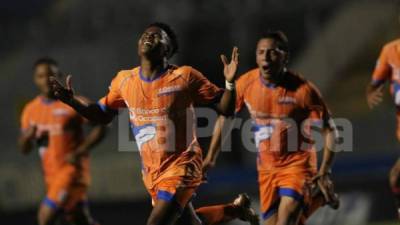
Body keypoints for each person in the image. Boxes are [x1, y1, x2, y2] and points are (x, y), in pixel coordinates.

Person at [49, 22, 259, 225]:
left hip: (182, 166)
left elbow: (226, 108)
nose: (149, 36)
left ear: (167, 49)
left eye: (157, 35)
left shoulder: (184, 77)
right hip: (152, 173)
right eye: (145, 34)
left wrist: (230, 82)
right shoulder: (124, 81)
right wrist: (72, 101)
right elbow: (102, 114)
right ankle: (236, 209)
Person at [207, 30, 339, 225]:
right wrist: (211, 155)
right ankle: (320, 198)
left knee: (285, 222)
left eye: (272, 52)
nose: (265, 57)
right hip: (267, 168)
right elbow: (225, 116)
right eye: (261, 52)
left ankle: (316, 197)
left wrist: (325, 170)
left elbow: (330, 130)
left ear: (285, 57)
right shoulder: (246, 83)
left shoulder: (303, 90)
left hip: (297, 165)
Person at [18, 57, 106, 225]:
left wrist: (80, 151)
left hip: (72, 171)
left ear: (58, 75)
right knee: (79, 219)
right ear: (35, 79)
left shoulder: (73, 103)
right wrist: (26, 138)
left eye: (50, 74)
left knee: (45, 217)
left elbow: (102, 125)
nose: (45, 79)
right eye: (41, 75)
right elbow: (24, 149)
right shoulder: (30, 110)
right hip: (51, 175)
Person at [366, 37, 400, 219]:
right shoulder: (390, 51)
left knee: (395, 176)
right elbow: (374, 84)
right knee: (395, 178)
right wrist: (371, 93)